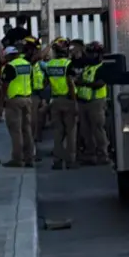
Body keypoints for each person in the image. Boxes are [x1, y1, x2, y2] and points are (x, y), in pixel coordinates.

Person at [0, 38, 40, 167]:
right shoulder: (27, 64)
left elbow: (5, 85)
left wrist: (2, 100)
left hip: (14, 100)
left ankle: (17, 158)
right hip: (27, 99)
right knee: (27, 129)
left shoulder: (10, 66)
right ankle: (29, 158)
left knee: (15, 130)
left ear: (9, 56)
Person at [44, 37, 78, 170]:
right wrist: (75, 102)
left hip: (55, 101)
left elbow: (46, 83)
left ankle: (57, 161)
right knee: (71, 132)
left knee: (58, 132)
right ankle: (70, 161)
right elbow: (70, 83)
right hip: (68, 100)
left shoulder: (49, 65)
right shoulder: (68, 64)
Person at [77, 41, 110, 165]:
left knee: (98, 129)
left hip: (96, 102)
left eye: (92, 53)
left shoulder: (102, 67)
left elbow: (100, 83)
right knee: (85, 130)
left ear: (99, 54)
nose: (89, 55)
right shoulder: (87, 67)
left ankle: (103, 155)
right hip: (83, 102)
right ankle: (90, 154)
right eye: (88, 53)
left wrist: (83, 83)